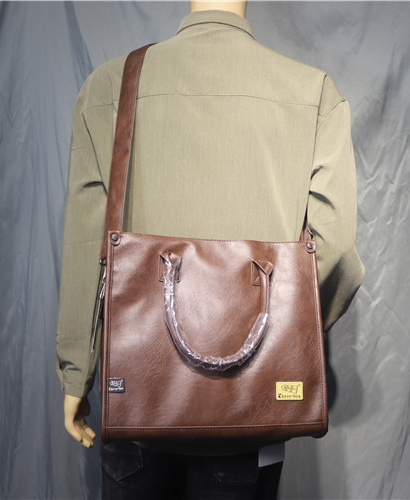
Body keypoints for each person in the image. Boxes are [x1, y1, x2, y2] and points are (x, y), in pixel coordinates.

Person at [56, 1, 364, 497]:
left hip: (138, 400)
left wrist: (77, 373)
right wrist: (282, 337)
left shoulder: (109, 87)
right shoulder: (314, 93)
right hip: (250, 411)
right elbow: (338, 253)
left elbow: (85, 247)